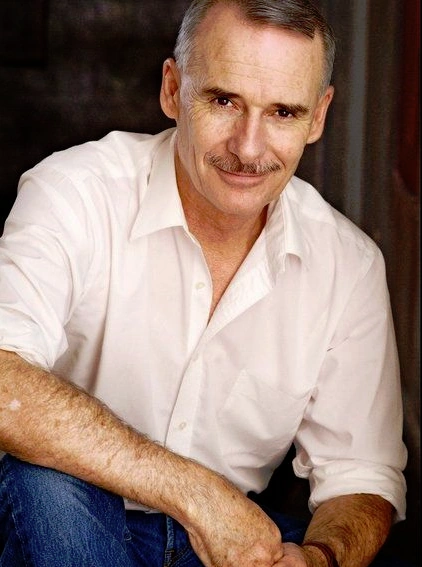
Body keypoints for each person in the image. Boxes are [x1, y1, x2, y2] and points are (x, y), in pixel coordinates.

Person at [0, 0, 409, 566]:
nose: (248, 147)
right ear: (173, 90)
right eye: (223, 101)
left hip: (223, 543)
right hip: (72, 521)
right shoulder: (74, 192)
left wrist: (319, 558)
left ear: (318, 118)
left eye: (283, 112)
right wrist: (193, 493)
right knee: (40, 484)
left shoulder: (349, 264)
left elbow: (361, 476)